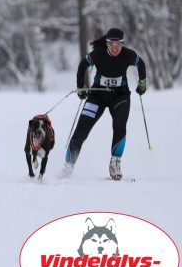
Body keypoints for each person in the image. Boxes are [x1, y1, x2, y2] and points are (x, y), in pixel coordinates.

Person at [62, 27, 147, 180]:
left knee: (120, 125)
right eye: (112, 43)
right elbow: (83, 66)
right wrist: (80, 87)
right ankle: (68, 166)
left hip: (120, 97)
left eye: (118, 43)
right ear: (107, 43)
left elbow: (141, 64)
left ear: (122, 43)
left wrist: (142, 83)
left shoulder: (128, 54)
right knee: (82, 129)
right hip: (97, 97)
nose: (115, 47)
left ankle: (115, 164)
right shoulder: (98, 54)